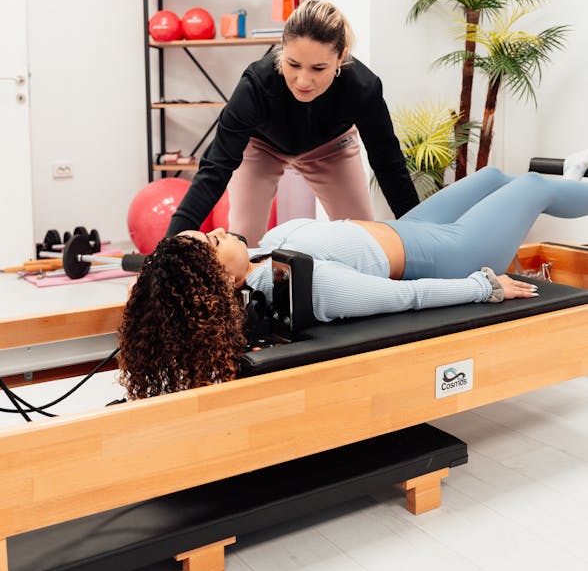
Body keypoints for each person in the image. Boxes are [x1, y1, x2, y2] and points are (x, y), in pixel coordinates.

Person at [118, 166, 588, 399]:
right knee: (531, 185)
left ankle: (576, 182)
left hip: (411, 229)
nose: (218, 229)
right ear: (220, 277)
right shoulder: (304, 284)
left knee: (492, 176)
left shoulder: (262, 253)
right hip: (453, 253)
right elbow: (407, 297)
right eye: (213, 241)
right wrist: (485, 287)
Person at [166, 0, 418, 244]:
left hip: (331, 147)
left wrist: (420, 237)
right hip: (261, 146)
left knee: (362, 240)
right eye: (293, 64)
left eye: (318, 68)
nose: (302, 81)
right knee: (243, 241)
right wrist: (168, 247)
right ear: (282, 48)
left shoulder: (363, 88)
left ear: (340, 57)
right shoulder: (256, 85)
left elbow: (389, 164)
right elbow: (215, 168)